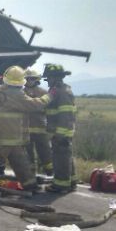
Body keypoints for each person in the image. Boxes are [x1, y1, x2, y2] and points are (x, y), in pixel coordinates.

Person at [0, 66, 50, 193]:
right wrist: (49, 96)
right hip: (10, 133)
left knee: (19, 159)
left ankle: (30, 184)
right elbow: (34, 105)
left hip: (0, 131)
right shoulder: (17, 94)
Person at [42, 64, 77, 193]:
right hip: (61, 132)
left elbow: (65, 115)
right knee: (66, 157)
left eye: (49, 78)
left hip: (61, 133)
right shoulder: (60, 90)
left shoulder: (61, 93)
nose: (47, 81)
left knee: (60, 159)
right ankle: (71, 182)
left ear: (56, 77)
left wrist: (59, 134)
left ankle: (61, 185)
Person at [24, 68, 54, 177]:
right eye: (27, 79)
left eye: (32, 78)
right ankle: (30, 174)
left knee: (45, 153)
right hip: (25, 130)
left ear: (36, 79)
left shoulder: (43, 92)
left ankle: (50, 173)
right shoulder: (21, 93)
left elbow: (48, 110)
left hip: (41, 128)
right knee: (28, 154)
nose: (29, 81)